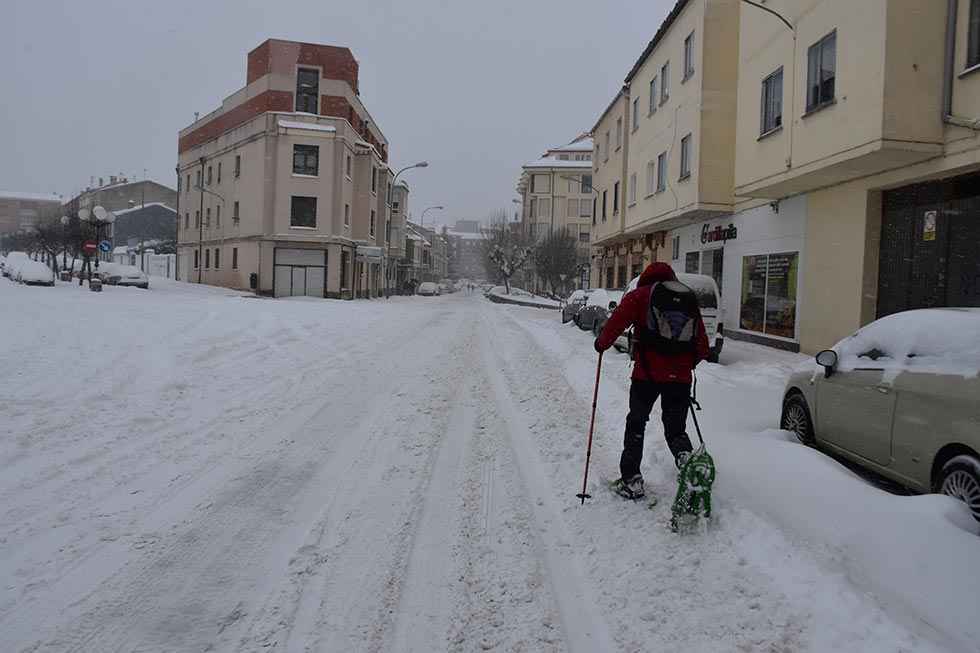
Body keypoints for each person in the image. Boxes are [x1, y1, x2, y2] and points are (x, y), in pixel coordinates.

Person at [593, 262, 709, 500]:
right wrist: (684, 364)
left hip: (646, 375)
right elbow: (703, 346)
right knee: (676, 429)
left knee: (637, 423)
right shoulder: (688, 299)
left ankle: (632, 481)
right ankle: (687, 464)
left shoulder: (640, 296)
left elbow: (616, 323)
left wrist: (601, 343)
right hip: (680, 379)